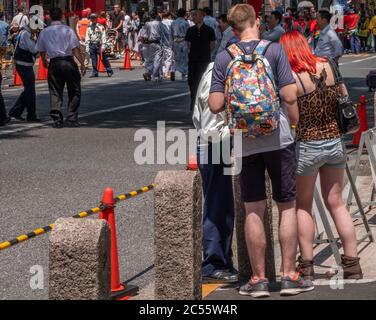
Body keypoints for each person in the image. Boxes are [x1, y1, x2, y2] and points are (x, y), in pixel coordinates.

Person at [208, 4, 313, 298]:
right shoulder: (275, 51)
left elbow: (215, 105)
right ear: (257, 22)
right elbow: (289, 95)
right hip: (278, 137)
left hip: (243, 140)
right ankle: (290, 275)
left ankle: (258, 279)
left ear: (232, 27)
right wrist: (294, 123)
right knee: (286, 206)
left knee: (253, 208)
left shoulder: (223, 57)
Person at [280, 31, 363, 280]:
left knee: (303, 206)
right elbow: (343, 96)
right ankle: (352, 263)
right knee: (336, 203)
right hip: (336, 142)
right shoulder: (328, 65)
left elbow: (294, 119)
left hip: (308, 145)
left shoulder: (292, 78)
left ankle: (306, 264)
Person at [193, 61, 238, 284]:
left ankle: (222, 259)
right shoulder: (217, 73)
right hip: (214, 145)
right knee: (216, 205)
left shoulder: (221, 69)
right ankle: (212, 263)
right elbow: (211, 126)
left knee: (224, 206)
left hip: (218, 144)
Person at [36, 7, 86, 128]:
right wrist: (82, 64)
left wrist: (43, 61)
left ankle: (57, 119)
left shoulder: (44, 31)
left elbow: (41, 50)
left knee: (55, 90)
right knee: (74, 90)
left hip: (54, 63)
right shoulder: (68, 30)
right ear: (62, 17)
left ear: (50, 18)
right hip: (68, 61)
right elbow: (75, 48)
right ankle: (72, 118)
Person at [8, 19, 40, 122]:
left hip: (23, 64)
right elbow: (34, 49)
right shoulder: (26, 34)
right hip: (24, 65)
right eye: (37, 28)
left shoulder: (24, 32)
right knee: (30, 90)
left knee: (28, 90)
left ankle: (15, 112)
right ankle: (31, 115)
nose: (38, 30)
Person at [186, 9, 216, 111]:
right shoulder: (190, 30)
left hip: (204, 60)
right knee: (191, 81)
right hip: (193, 60)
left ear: (202, 17)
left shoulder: (209, 30)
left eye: (196, 15)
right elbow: (188, 45)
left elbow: (213, 44)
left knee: (203, 81)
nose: (194, 17)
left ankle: (202, 103)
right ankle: (193, 100)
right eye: (193, 15)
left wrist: (204, 51)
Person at [85, 13, 113, 78]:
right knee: (94, 60)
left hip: (99, 45)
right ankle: (95, 72)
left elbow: (103, 36)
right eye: (91, 18)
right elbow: (87, 36)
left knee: (103, 59)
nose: (92, 19)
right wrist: (87, 46)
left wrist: (103, 45)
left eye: (94, 18)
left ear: (96, 19)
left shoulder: (100, 27)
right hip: (92, 45)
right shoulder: (89, 27)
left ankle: (109, 71)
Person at [143, 10, 164, 82]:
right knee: (157, 59)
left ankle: (149, 71)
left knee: (151, 59)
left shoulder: (147, 24)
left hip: (150, 43)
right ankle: (154, 75)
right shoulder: (159, 23)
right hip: (158, 42)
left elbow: (144, 35)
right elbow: (163, 34)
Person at [170, 8, 189, 81]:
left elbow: (170, 33)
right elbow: (188, 34)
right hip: (183, 41)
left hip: (175, 40)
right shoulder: (185, 23)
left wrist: (171, 43)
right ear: (184, 14)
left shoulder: (173, 22)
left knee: (176, 57)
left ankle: (173, 70)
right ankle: (183, 75)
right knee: (184, 58)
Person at [161, 11, 174, 80]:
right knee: (169, 58)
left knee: (163, 58)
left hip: (162, 43)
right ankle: (166, 73)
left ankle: (164, 72)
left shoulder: (161, 23)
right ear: (169, 16)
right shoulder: (171, 22)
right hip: (169, 42)